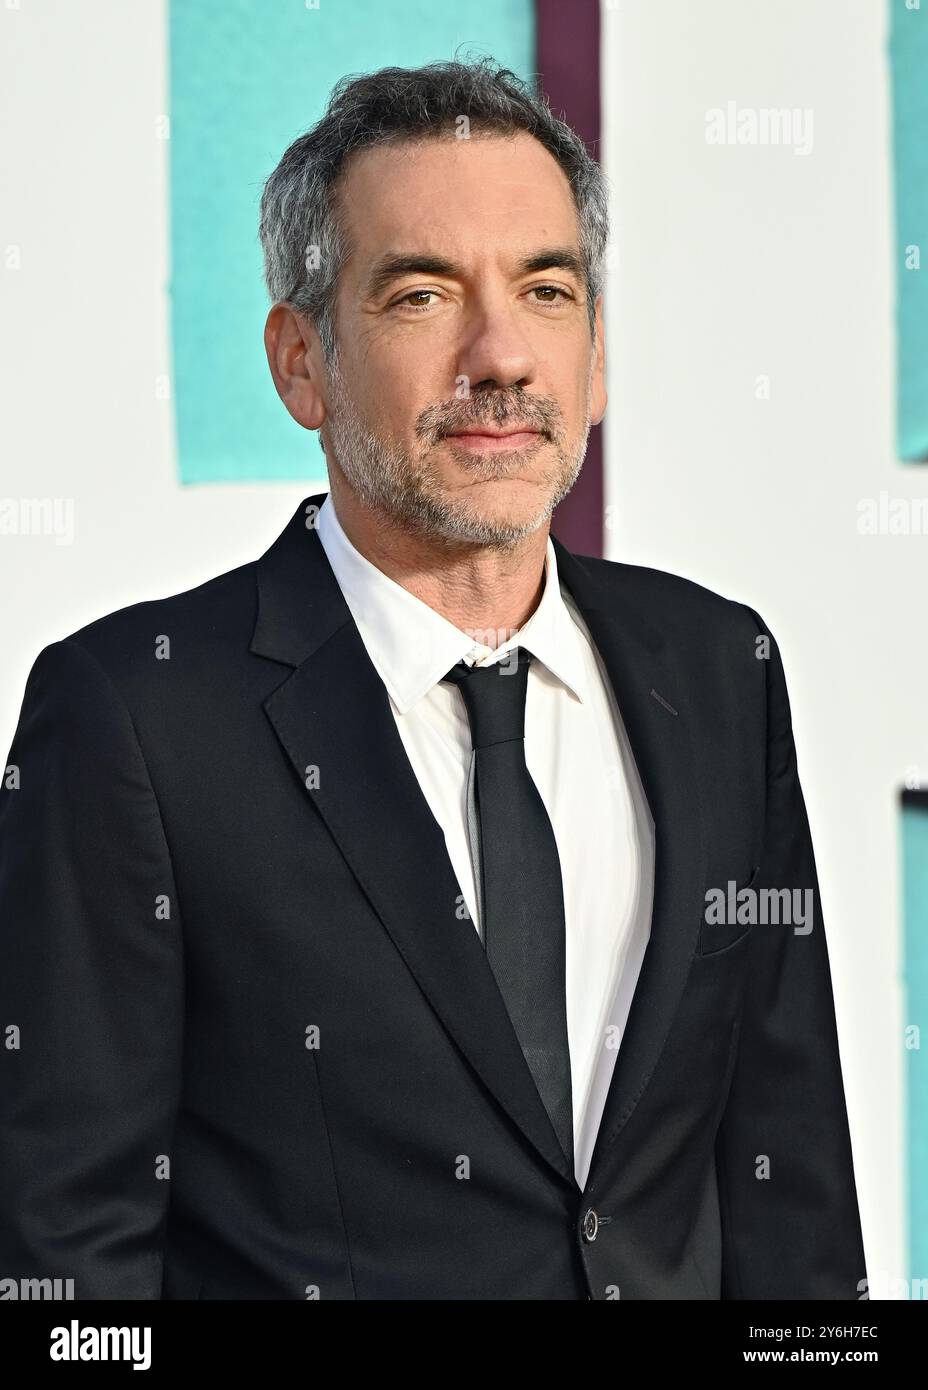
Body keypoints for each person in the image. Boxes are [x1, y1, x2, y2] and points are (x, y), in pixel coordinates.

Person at [0, 58, 866, 1300]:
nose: (501, 354)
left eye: (546, 288)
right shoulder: (132, 717)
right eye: (420, 295)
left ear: (598, 354)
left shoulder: (721, 670)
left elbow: (794, 1199)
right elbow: (61, 1267)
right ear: (302, 361)